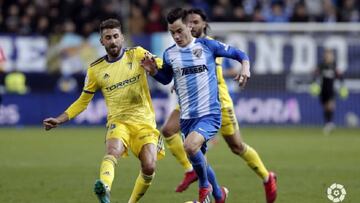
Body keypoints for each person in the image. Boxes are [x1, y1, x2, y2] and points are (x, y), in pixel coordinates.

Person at [159, 8, 277, 203]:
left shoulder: (209, 46)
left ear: (203, 24)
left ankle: (266, 177)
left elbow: (216, 71)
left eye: (196, 22)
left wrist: (243, 68)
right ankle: (194, 174)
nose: (193, 25)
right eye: (190, 21)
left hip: (217, 103)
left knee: (237, 147)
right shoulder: (178, 51)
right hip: (190, 104)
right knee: (169, 130)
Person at [43, 18, 165, 203]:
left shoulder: (138, 53)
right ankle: (105, 191)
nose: (113, 41)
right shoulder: (95, 70)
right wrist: (60, 120)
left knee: (149, 167)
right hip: (118, 122)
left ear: (122, 38)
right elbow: (83, 101)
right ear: (102, 41)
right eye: (108, 37)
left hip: (144, 122)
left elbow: (164, 66)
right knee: (112, 151)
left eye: (116, 36)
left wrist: (157, 69)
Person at [141, 7, 250, 203]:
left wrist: (246, 68)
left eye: (179, 31)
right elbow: (166, 79)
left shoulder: (207, 46)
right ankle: (219, 195)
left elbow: (239, 53)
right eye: (172, 32)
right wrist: (153, 71)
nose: (176, 36)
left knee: (190, 147)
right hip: (186, 118)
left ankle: (204, 186)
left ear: (189, 26)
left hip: (209, 114)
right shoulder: (170, 54)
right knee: (200, 159)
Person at [310, 48, 348, 134]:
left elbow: (340, 77)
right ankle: (327, 123)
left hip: (331, 90)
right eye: (326, 55)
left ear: (332, 56)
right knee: (325, 107)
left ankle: (330, 123)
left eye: (330, 55)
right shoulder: (321, 66)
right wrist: (314, 84)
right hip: (323, 90)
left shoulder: (334, 66)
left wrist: (343, 87)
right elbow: (315, 75)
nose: (328, 56)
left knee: (330, 106)